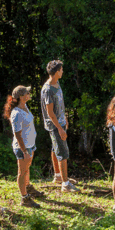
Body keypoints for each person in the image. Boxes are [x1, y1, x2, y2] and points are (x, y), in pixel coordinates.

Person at [40, 60, 79, 192]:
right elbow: (50, 113)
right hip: (55, 125)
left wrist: (65, 118)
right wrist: (60, 128)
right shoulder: (48, 89)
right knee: (62, 153)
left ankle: (58, 176)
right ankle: (65, 184)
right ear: (56, 72)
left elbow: (60, 105)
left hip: (61, 122)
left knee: (54, 148)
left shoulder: (57, 83)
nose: (63, 72)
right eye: (61, 70)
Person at [3, 85, 45, 207]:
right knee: (22, 172)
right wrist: (25, 151)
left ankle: (28, 188)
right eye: (27, 92)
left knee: (27, 169)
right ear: (21, 97)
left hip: (30, 145)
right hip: (23, 148)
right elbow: (17, 134)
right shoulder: (16, 113)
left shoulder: (24, 107)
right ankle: (25, 198)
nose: (29, 93)